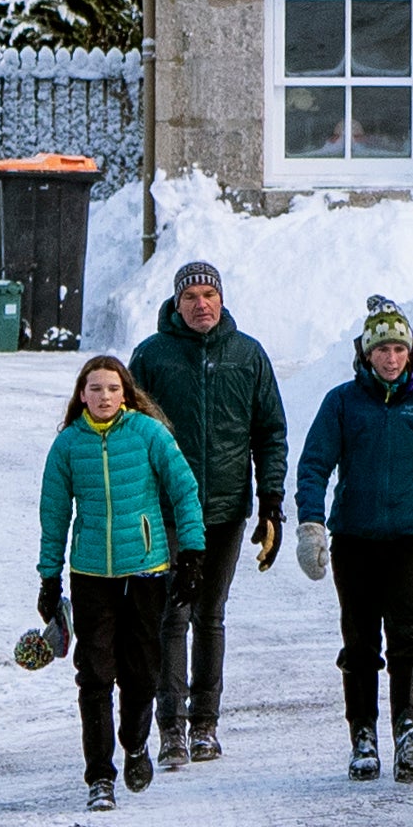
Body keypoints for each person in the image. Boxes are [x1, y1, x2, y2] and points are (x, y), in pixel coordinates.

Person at [124, 257, 291, 764]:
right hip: (168, 510)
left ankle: (205, 724)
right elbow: (132, 434)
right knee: (172, 613)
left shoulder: (247, 356)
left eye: (210, 296)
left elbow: (270, 433)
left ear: (222, 299)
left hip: (224, 508)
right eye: (191, 297)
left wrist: (271, 502)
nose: (202, 305)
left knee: (211, 614)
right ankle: (171, 724)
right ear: (177, 304)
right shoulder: (152, 357)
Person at [292, 297, 413, 783]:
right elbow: (314, 465)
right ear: (366, 355)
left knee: (409, 638)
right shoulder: (343, 402)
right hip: (357, 541)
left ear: (411, 354)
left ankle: (408, 727)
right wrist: (311, 525)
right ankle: (362, 735)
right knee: (360, 641)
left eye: (398, 349)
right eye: (381, 349)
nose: (390, 358)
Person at [37, 353, 205, 812]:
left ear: (126, 393)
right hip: (91, 574)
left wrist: (191, 554)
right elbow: (53, 514)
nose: (104, 396)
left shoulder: (150, 435)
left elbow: (184, 490)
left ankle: (134, 743)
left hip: (146, 570)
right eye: (95, 389)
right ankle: (100, 777)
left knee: (140, 671)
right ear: (81, 395)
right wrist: (49, 577)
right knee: (94, 675)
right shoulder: (69, 445)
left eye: (112, 388)